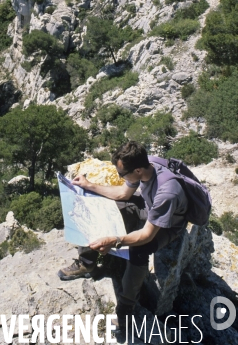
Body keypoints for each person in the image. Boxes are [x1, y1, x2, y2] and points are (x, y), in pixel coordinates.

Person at [58, 141, 188, 330]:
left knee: (139, 249)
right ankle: (87, 264)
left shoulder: (167, 192)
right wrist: (89, 186)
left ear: (137, 171)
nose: (120, 177)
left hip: (169, 225)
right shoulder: (144, 166)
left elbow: (147, 235)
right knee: (101, 207)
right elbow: (123, 194)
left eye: (121, 174)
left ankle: (125, 312)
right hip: (148, 206)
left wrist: (116, 241)